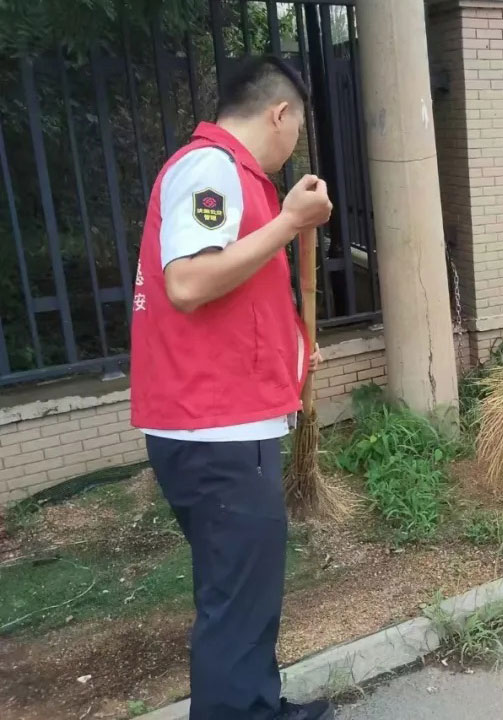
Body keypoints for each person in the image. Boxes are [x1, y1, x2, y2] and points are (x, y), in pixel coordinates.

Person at [129, 57, 333, 720]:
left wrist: (293, 352)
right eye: (295, 131)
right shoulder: (210, 169)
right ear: (279, 114)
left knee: (243, 595)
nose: (291, 148)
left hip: (224, 425)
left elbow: (239, 301)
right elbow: (189, 282)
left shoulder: (237, 178)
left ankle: (256, 706)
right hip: (215, 431)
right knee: (236, 603)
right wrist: (290, 223)